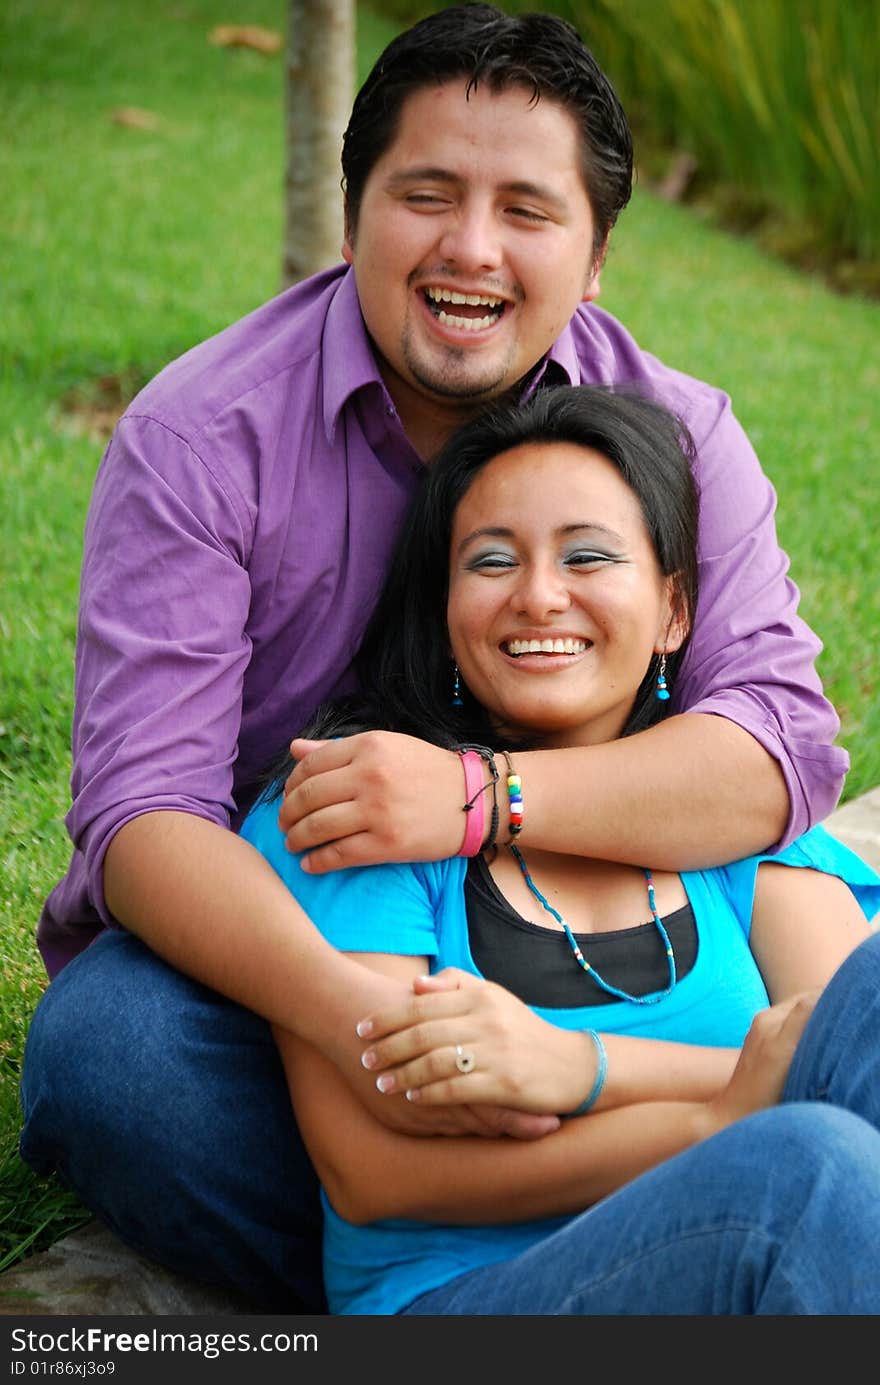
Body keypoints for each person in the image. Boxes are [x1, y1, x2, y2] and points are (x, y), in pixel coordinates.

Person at [19, 5, 850, 1311]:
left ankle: (672, 1239)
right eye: (425, 194)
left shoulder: (678, 438)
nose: (470, 248)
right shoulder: (202, 437)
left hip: (586, 898)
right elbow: (142, 815)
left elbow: (779, 752)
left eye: (527, 208)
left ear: (598, 253)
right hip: (308, 941)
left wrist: (483, 801)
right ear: (355, 215)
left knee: (829, 1102)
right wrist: (376, 1030)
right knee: (118, 1055)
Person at [241, 385, 880, 1315]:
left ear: (672, 612)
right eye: (491, 559)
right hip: (467, 1301)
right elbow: (375, 1171)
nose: (539, 593)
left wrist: (580, 1067)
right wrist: (717, 1116)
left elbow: (836, 1061)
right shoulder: (367, 812)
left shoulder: (727, 826)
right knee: (809, 1175)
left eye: (588, 555)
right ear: (447, 607)